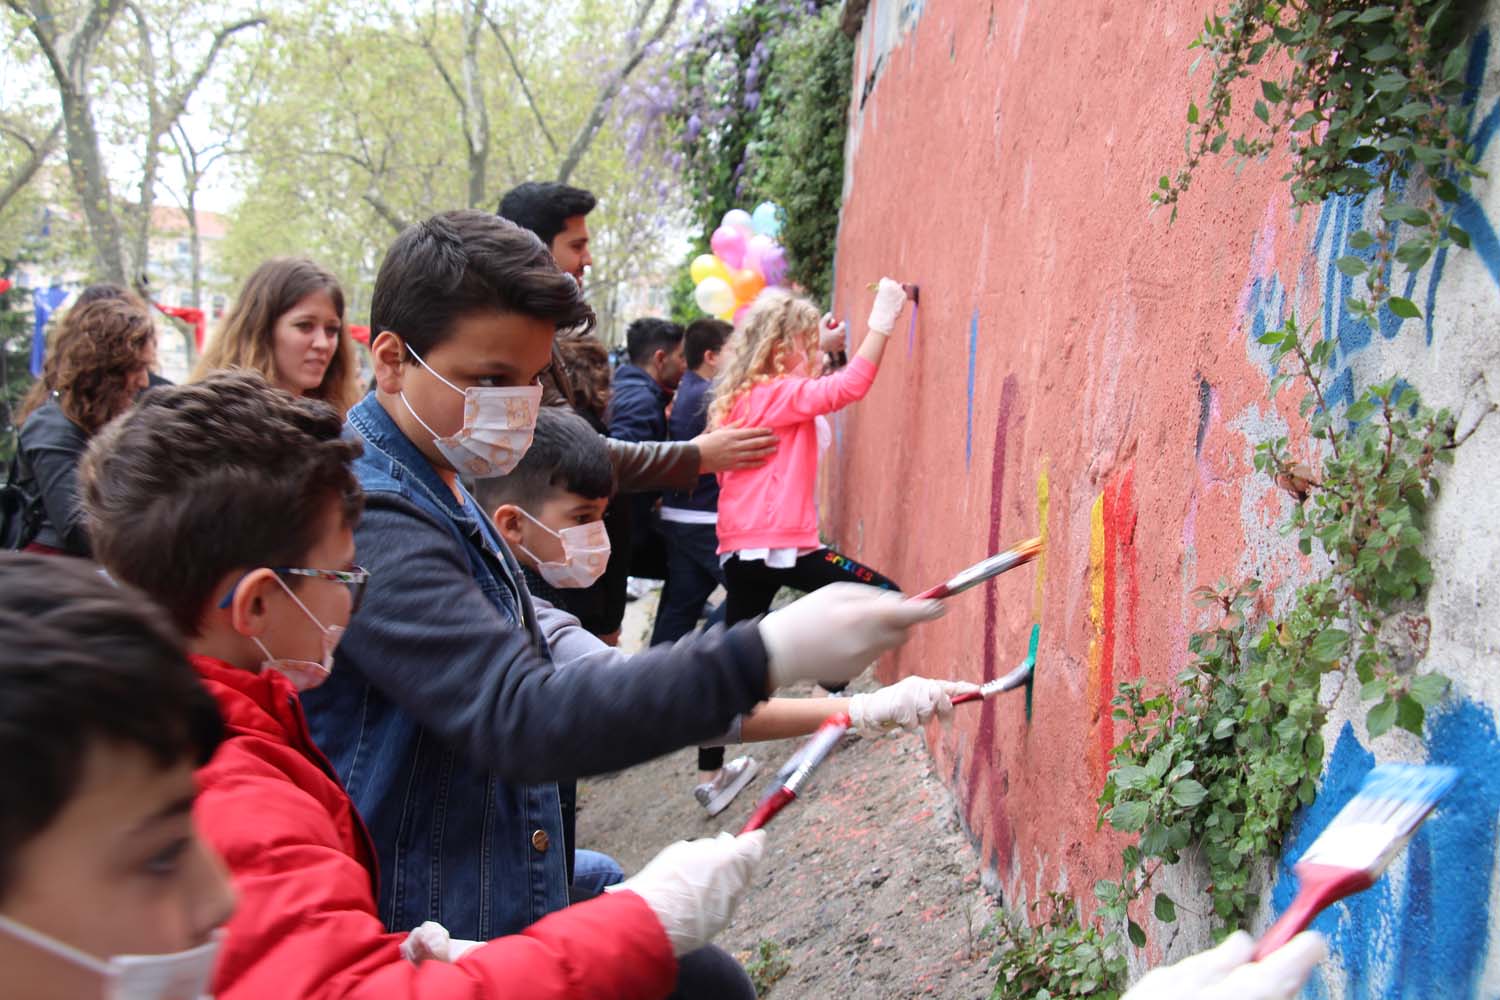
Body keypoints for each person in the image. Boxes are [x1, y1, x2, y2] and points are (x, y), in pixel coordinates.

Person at [299, 211, 941, 999]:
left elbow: (575, 665)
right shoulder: (372, 513)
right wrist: (766, 651)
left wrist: (834, 704)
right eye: (491, 379)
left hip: (499, 884)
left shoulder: (446, 482)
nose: (518, 404)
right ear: (393, 361)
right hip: (435, 933)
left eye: (531, 380)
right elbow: (520, 714)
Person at [79, 370, 767, 998]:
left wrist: (382, 951)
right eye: (344, 576)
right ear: (256, 605)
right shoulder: (232, 795)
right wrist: (640, 925)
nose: (355, 599)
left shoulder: (225, 715)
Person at [476, 404, 977, 776]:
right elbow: (646, 699)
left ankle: (712, 770)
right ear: (513, 526)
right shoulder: (488, 609)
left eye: (601, 517)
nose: (597, 535)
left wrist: (861, 710)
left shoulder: (522, 597)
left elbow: (672, 698)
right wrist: (777, 652)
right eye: (582, 519)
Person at [500, 180, 777, 644]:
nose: (587, 259)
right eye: (577, 245)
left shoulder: (548, 344)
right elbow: (577, 456)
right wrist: (695, 456)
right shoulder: (516, 348)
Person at [712, 283, 911, 687]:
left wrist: (826, 345)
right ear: (782, 349)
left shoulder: (747, 397)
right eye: (809, 344)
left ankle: (721, 746)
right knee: (886, 595)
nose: (815, 353)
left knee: (736, 671)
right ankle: (831, 684)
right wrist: (882, 321)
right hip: (781, 545)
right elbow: (847, 387)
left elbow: (813, 391)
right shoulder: (780, 394)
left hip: (741, 549)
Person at [13, 295, 156, 556]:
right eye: (137, 368)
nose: (144, 381)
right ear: (106, 369)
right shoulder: (51, 427)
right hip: (54, 575)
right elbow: (77, 528)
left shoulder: (111, 422)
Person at [192, 256, 361, 415]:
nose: (322, 343)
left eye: (331, 330)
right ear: (262, 330)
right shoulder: (212, 423)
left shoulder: (342, 427)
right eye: (305, 326)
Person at [610, 317, 686, 586]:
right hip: (626, 530)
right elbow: (621, 460)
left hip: (629, 526)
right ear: (660, 358)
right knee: (685, 569)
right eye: (682, 357)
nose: (685, 365)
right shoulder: (640, 400)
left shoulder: (634, 389)